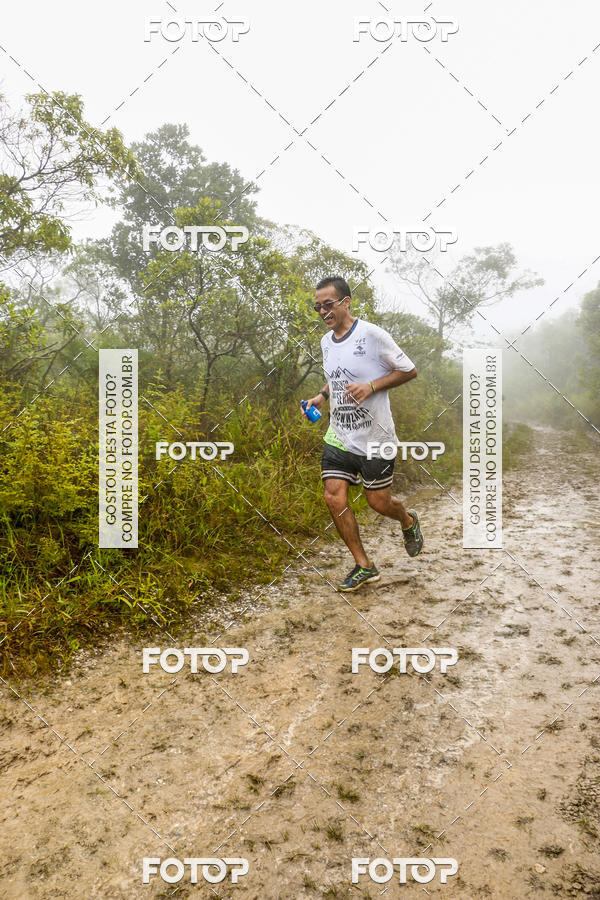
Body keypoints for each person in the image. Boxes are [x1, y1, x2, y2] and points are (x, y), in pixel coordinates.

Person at [303, 276, 424, 592]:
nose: (323, 311)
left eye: (328, 304)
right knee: (333, 495)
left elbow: (408, 370)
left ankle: (407, 520)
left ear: (346, 302)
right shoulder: (326, 342)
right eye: (318, 307)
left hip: (376, 437)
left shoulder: (372, 335)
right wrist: (321, 396)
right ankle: (364, 565)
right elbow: (337, 375)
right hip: (339, 434)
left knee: (379, 503)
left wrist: (372, 386)